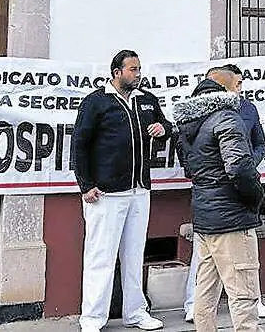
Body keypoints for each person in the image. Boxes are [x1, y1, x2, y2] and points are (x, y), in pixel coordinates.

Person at [71, 50, 171, 332]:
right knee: (100, 256)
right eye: (133, 69)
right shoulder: (96, 102)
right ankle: (92, 318)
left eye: (139, 69)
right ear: (117, 72)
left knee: (134, 254)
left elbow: (167, 125)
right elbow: (80, 144)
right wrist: (86, 185)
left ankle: (136, 312)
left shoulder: (147, 100)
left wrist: (161, 127)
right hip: (105, 194)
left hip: (140, 190)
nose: (138, 74)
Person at [173, 66, 265, 332]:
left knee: (205, 292)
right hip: (232, 219)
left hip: (205, 216)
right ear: (226, 89)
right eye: (236, 85)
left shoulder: (189, 122)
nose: (240, 90)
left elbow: (191, 170)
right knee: (243, 294)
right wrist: (255, 198)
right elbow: (238, 167)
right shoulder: (226, 115)